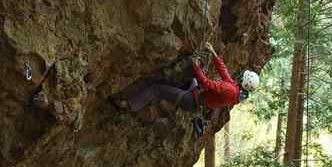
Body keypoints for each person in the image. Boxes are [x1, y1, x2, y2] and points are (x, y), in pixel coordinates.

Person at [109, 42, 259, 113]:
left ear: (245, 82)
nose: (240, 76)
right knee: (175, 78)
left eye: (243, 77)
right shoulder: (235, 89)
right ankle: (154, 86)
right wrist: (212, 52)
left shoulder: (230, 91)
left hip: (192, 100)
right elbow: (223, 71)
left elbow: (206, 83)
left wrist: (196, 67)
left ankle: (126, 105)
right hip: (196, 93)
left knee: (157, 89)